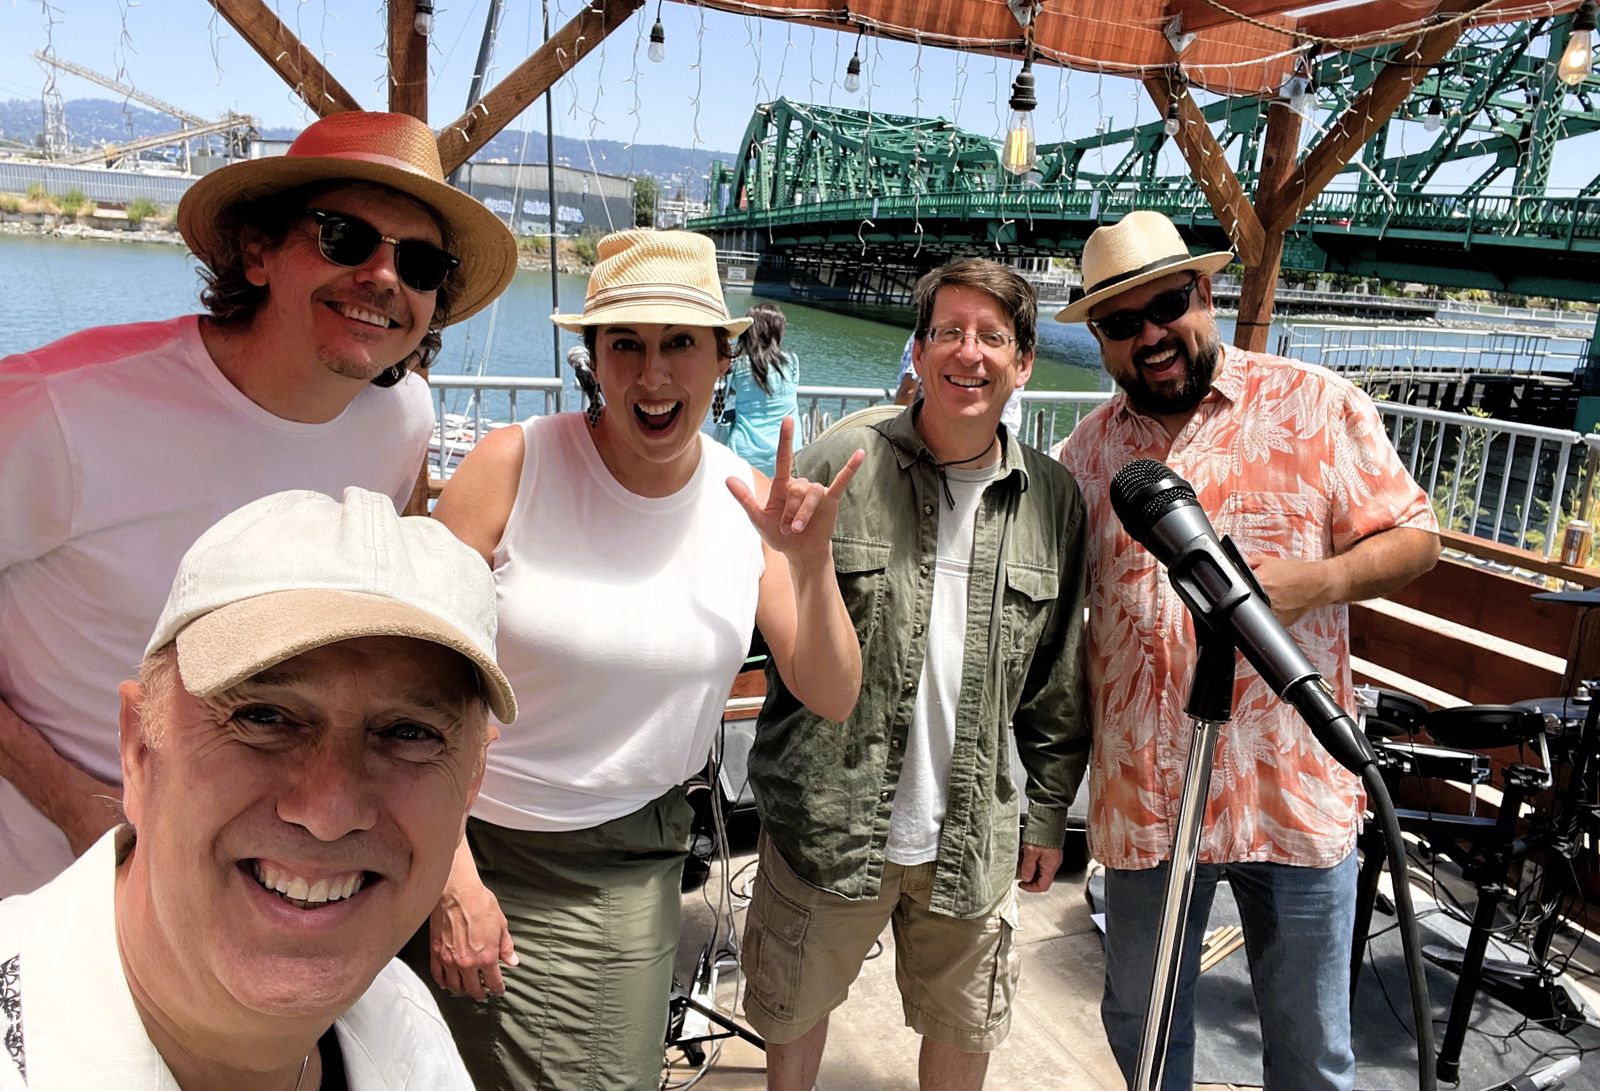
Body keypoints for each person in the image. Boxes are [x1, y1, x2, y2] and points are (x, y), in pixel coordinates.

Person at [0, 110, 518, 898]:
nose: (384, 276)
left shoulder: (402, 419)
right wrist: (68, 798)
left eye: (419, 263)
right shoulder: (54, 410)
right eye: (344, 237)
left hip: (252, 875)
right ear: (257, 251)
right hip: (39, 884)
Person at [405, 228, 864, 1091]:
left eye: (680, 343)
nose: (653, 375)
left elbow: (832, 692)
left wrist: (810, 564)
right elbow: (406, 680)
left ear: (723, 359)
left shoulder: (743, 504)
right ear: (595, 357)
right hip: (467, 838)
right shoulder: (514, 467)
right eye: (626, 344)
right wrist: (448, 877)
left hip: (631, 857)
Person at [1056, 210, 1441, 1091]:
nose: (1151, 335)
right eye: (1121, 321)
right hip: (1148, 801)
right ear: (1101, 339)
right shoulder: (1086, 454)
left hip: (1291, 791)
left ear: (1206, 292)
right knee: (1143, 1034)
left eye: (1167, 305)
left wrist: (1322, 579)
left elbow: (1418, 536)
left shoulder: (1317, 404)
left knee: (1312, 1054)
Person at [0, 485, 518, 1090]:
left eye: (409, 733)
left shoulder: (406, 1024)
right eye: (264, 717)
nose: (328, 812)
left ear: (470, 786)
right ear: (140, 750)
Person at [743, 258, 1090, 1091]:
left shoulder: (1053, 500)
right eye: (948, 332)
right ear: (921, 349)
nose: (968, 353)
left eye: (992, 337)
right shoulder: (842, 458)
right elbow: (772, 615)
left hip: (971, 832)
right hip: (827, 818)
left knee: (965, 1027)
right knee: (793, 1017)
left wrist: (1047, 810)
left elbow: (1056, 676)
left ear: (1024, 362)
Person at [895, 329, 1028, 439]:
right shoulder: (1013, 344)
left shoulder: (927, 336)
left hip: (936, 437)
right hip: (1004, 433)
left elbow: (908, 390)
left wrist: (896, 429)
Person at [727, 301, 800, 475]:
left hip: (745, 452)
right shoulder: (791, 362)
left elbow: (733, 388)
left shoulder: (738, 366)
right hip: (788, 450)